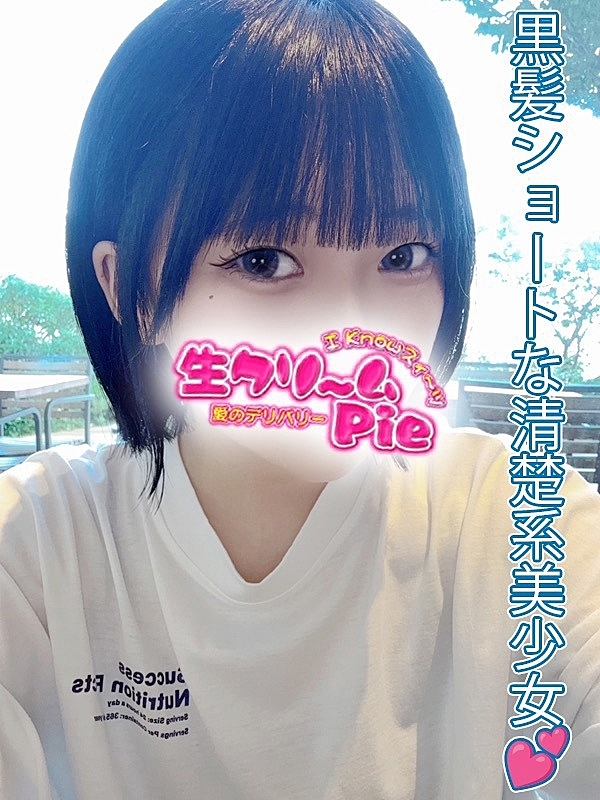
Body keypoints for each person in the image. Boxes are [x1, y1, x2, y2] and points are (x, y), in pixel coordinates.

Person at [1, 1, 598, 798]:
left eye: (404, 254)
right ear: (129, 289)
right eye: (263, 260)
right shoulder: (35, 553)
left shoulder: (514, 517)